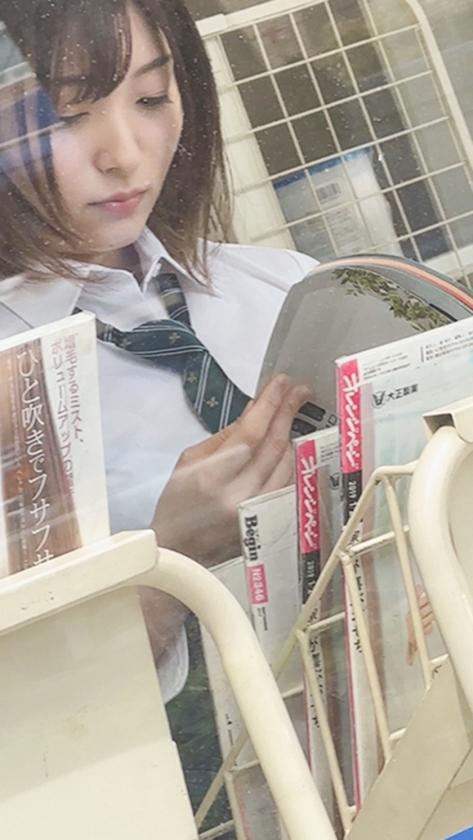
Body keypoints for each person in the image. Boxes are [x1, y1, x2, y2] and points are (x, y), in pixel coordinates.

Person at [0, 0, 316, 701]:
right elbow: (36, 717)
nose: (123, 154)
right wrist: (170, 559)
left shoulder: (288, 291)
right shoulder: (11, 386)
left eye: (150, 98)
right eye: (66, 116)